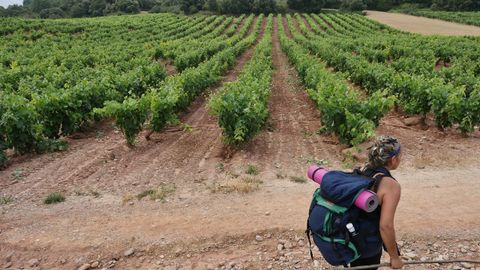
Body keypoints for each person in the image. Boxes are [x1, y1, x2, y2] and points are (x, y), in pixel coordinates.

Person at [350, 135, 404, 269]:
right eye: (401, 156)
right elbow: (386, 226)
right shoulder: (390, 185)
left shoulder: (362, 171)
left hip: (350, 240)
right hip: (368, 246)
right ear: (393, 159)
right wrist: (394, 257)